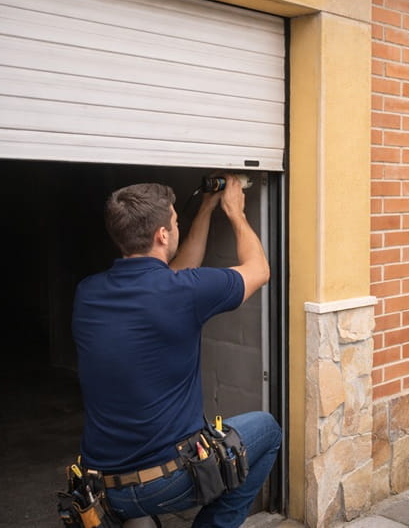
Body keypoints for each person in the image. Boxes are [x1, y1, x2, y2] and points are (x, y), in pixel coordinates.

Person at [72, 174, 281, 527]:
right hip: (168, 480)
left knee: (137, 501)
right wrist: (234, 212)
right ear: (163, 235)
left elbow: (178, 271)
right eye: (174, 222)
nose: (176, 227)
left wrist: (206, 207)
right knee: (268, 429)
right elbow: (259, 270)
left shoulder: (88, 293)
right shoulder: (182, 293)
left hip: (104, 487)